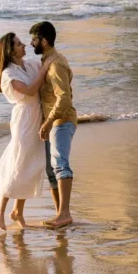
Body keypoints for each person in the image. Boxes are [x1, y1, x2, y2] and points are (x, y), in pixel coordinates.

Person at [0, 32, 53, 230]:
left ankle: (18, 211)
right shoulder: (9, 74)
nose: (24, 45)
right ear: (10, 50)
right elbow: (30, 90)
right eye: (19, 44)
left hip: (38, 116)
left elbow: (47, 68)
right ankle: (0, 210)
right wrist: (43, 72)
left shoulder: (30, 64)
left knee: (31, 164)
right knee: (18, 163)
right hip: (24, 120)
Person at [30, 21, 77, 230]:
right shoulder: (47, 61)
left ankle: (64, 214)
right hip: (53, 121)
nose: (32, 43)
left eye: (34, 39)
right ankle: (60, 214)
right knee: (51, 169)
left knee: (60, 165)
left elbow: (64, 97)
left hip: (61, 120)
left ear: (44, 41)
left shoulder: (55, 64)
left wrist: (49, 121)